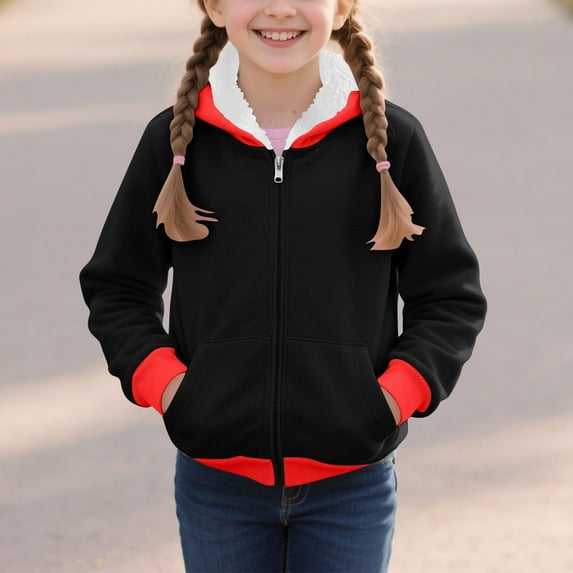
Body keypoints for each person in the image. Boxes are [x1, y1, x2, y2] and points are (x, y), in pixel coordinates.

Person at [80, 0, 487, 571]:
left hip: (353, 484)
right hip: (217, 484)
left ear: (341, 8)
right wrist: (172, 389)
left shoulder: (394, 142)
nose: (279, 8)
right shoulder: (175, 144)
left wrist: (391, 399)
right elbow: (118, 286)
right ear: (215, 7)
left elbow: (449, 297)